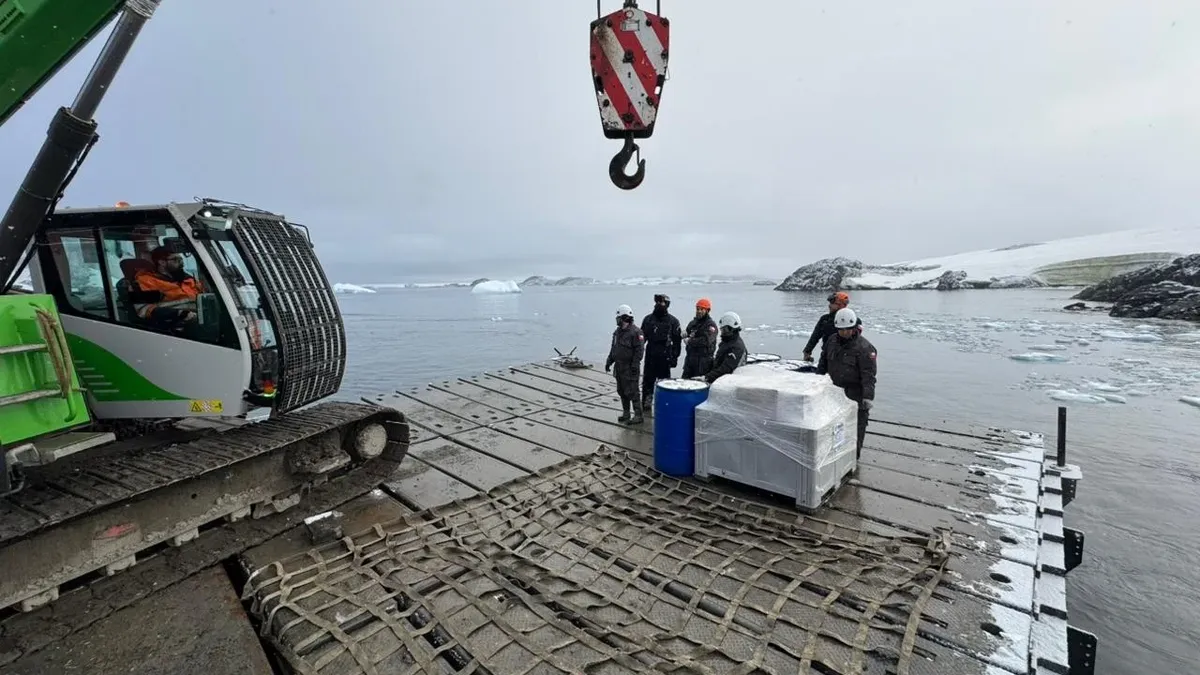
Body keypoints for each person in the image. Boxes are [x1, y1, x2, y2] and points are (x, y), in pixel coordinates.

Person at [816, 307, 877, 460]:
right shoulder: (831, 341)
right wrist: (817, 381)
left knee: (856, 429)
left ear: (854, 328)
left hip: (855, 394)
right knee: (835, 427)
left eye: (848, 329)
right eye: (841, 330)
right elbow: (823, 362)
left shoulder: (864, 348)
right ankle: (836, 458)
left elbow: (869, 376)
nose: (845, 333)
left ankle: (853, 460)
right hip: (835, 393)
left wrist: (868, 397)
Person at [133, 247, 204, 329]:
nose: (181, 263)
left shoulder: (188, 279)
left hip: (201, 316)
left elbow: (204, 297)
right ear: (162, 262)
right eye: (176, 259)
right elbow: (143, 310)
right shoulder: (146, 281)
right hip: (174, 324)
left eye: (181, 259)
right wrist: (178, 313)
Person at [639, 293, 682, 411]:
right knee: (648, 381)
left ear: (667, 305)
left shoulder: (673, 321)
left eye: (661, 302)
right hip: (651, 354)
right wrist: (637, 355)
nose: (659, 304)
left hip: (665, 355)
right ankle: (647, 402)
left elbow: (677, 342)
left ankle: (665, 403)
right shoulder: (648, 319)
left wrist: (675, 357)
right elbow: (642, 340)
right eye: (657, 302)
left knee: (665, 383)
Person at [605, 304, 646, 425]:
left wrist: (634, 365)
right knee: (622, 390)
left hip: (630, 368)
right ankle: (626, 413)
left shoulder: (636, 332)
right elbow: (614, 348)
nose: (617, 320)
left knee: (633, 391)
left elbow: (639, 351)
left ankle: (638, 415)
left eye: (618, 318)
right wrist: (609, 361)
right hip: (619, 367)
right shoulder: (617, 332)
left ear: (624, 317)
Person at [802, 291, 861, 363]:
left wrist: (807, 351)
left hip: (845, 358)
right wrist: (807, 351)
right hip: (829, 356)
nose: (829, 305)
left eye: (832, 303)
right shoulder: (825, 320)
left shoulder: (853, 321)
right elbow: (815, 336)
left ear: (841, 305)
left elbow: (857, 341)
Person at [702, 311, 748, 384]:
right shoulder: (727, 341)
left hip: (729, 383)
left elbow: (726, 369)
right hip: (719, 379)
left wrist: (707, 377)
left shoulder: (736, 347)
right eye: (722, 329)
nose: (722, 331)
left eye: (724, 329)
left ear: (731, 329)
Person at [682, 298, 718, 379]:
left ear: (707, 311)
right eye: (697, 309)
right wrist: (684, 334)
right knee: (684, 382)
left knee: (699, 384)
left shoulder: (711, 325)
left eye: (702, 309)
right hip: (690, 360)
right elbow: (687, 333)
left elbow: (706, 340)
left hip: (703, 362)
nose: (699, 311)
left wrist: (690, 341)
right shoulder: (693, 323)